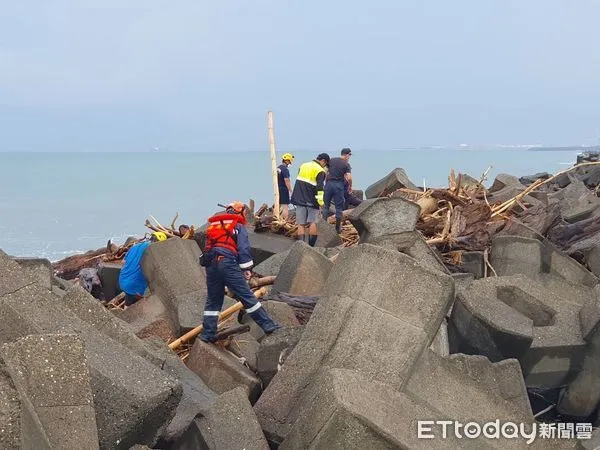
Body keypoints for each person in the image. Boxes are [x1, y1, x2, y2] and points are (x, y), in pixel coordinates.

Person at [199, 201, 280, 343]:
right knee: (246, 296)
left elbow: (208, 247)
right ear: (240, 212)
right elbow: (244, 248)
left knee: (213, 301)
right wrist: (246, 269)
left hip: (211, 265)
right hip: (227, 263)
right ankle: (268, 325)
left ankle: (207, 334)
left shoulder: (214, 225)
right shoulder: (237, 225)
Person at [290, 153, 330, 246]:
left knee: (301, 223)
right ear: (323, 161)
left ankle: (301, 246)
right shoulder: (320, 171)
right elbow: (320, 188)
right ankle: (310, 247)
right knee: (312, 222)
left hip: (299, 198)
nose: (325, 167)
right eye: (326, 164)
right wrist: (320, 202)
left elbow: (300, 180)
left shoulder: (303, 165)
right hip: (311, 200)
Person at [119, 231, 167, 306]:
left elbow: (123, 262)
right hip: (135, 287)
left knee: (129, 300)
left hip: (123, 280)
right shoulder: (152, 251)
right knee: (136, 307)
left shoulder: (136, 246)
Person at [323, 148, 353, 233]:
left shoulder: (331, 160)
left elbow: (325, 172)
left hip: (329, 185)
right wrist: (350, 186)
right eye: (349, 155)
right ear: (347, 154)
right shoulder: (346, 164)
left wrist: (326, 182)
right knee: (339, 208)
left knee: (326, 206)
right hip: (338, 186)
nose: (349, 157)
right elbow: (349, 177)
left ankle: (324, 226)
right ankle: (337, 229)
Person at [277, 153, 294, 220]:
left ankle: (279, 218)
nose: (290, 163)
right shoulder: (285, 169)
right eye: (289, 161)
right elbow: (287, 180)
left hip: (278, 188)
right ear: (286, 161)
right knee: (285, 206)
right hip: (284, 189)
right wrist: (290, 190)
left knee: (279, 205)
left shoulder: (278, 168)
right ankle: (285, 220)